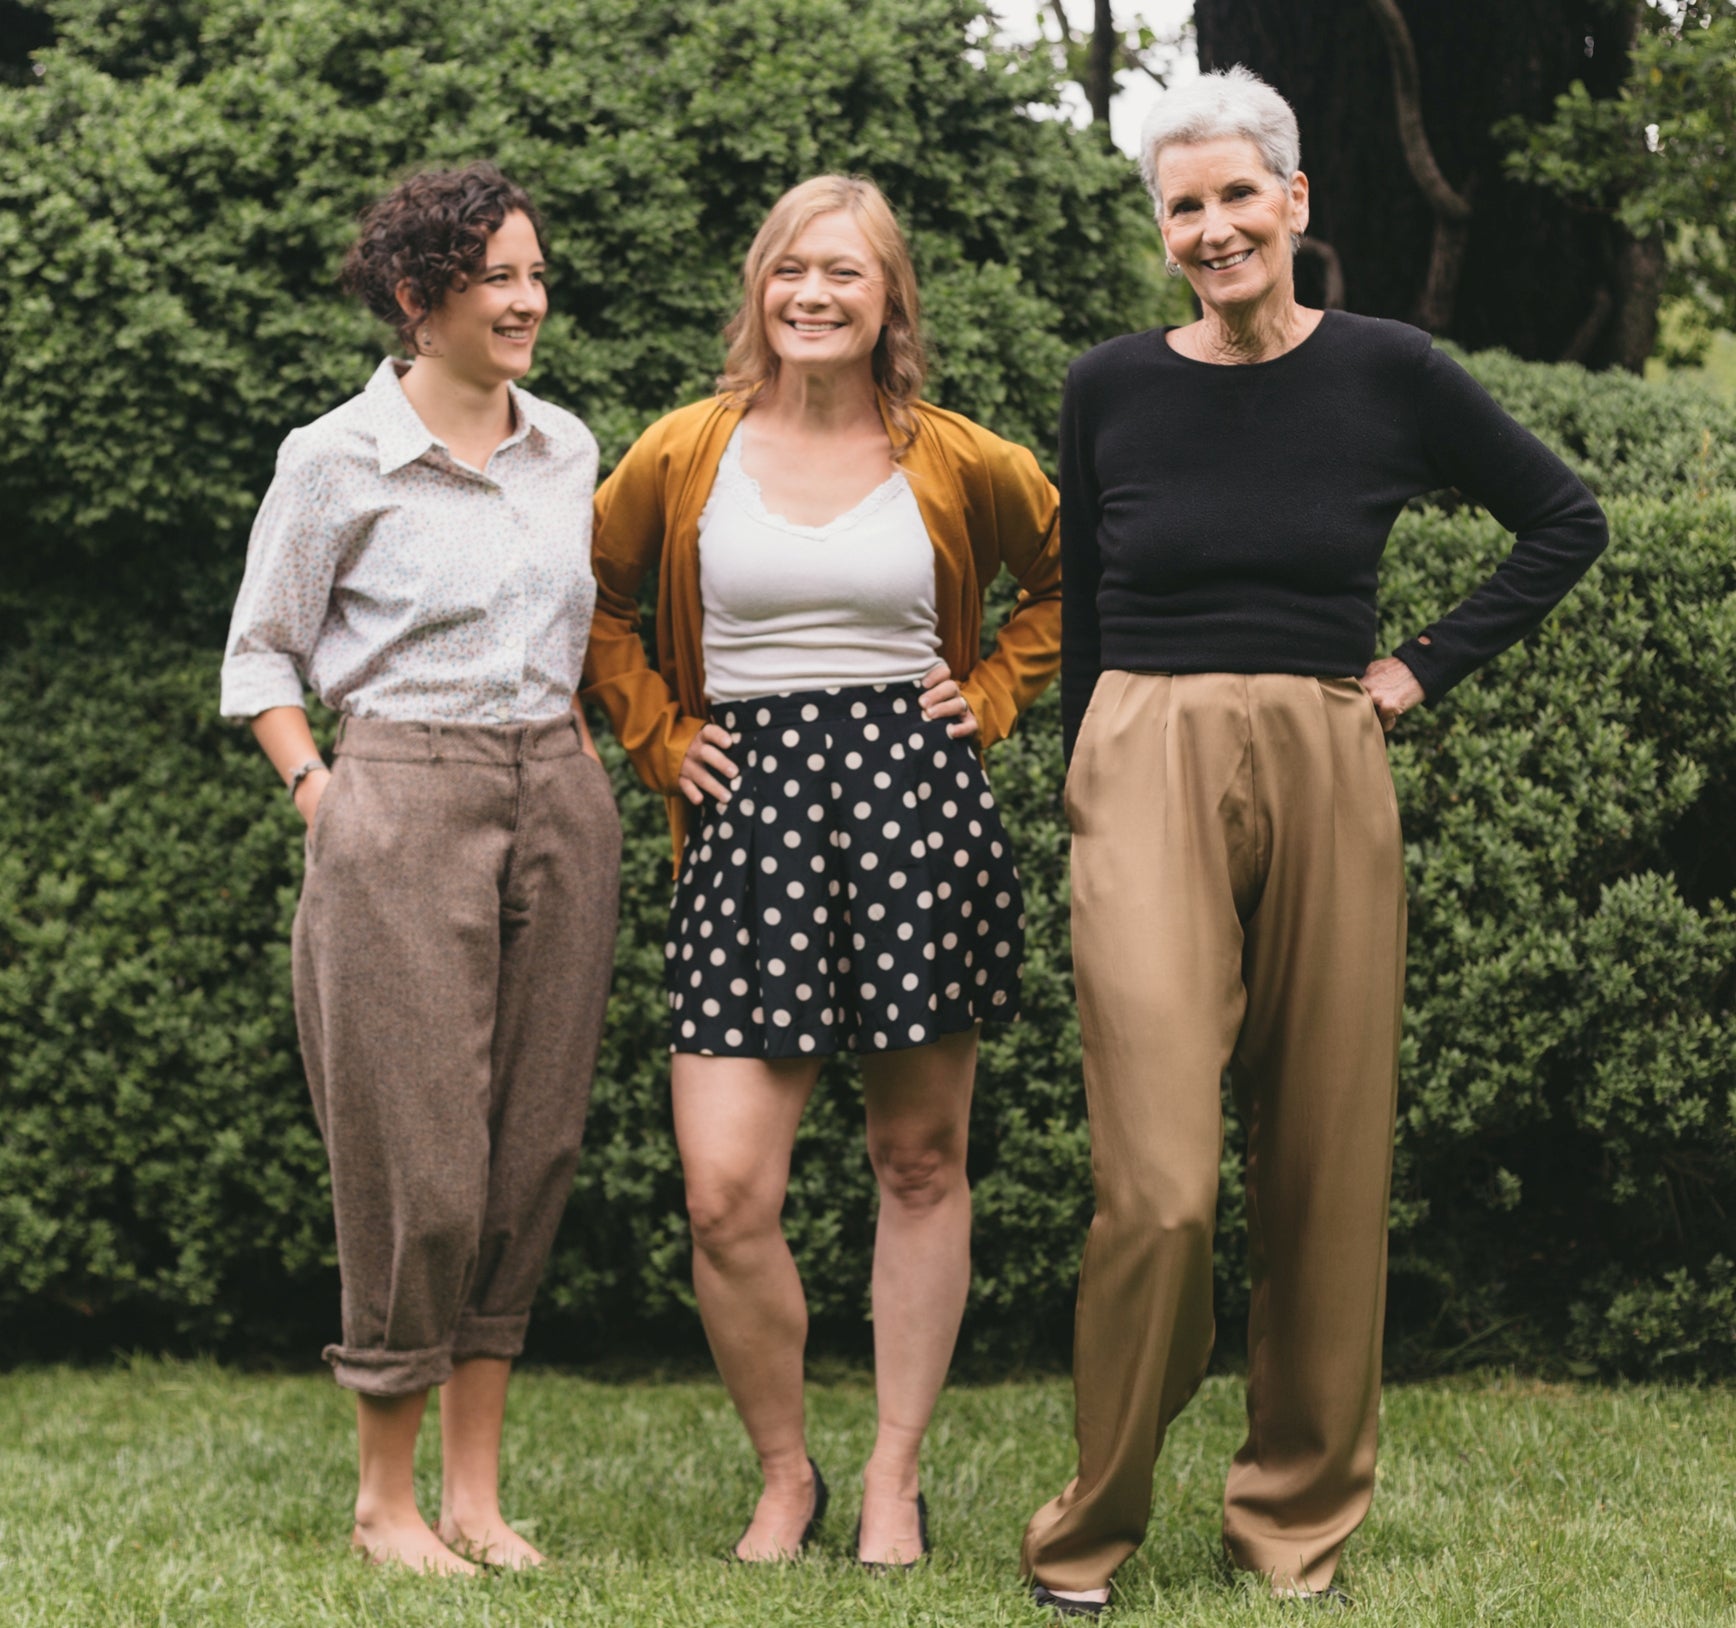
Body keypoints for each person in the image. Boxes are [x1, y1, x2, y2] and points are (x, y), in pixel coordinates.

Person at [1021, 67, 1607, 1615]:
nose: (1210, 230)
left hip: (1331, 749)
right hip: (1142, 755)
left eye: (1232, 197)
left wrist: (1417, 668)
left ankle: (1291, 1525)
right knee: (1160, 1184)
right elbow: (1083, 601)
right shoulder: (1109, 388)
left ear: (1294, 202)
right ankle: (1092, 1525)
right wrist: (1086, 756)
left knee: (1330, 1167)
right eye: (1180, 208)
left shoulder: (1393, 371)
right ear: (1163, 232)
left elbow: (1564, 519)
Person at [582, 174, 1060, 1566]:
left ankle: (895, 1478)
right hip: (749, 822)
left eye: (845, 273)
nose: (815, 294)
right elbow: (599, 601)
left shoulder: (960, 456)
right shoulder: (682, 452)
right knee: (724, 1192)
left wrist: (993, 689)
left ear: (890, 299)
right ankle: (785, 1472)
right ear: (759, 288)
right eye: (793, 269)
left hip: (914, 807)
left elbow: (1070, 576)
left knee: (919, 1158)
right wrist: (662, 737)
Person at [219, 163, 620, 1574]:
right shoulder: (335, 455)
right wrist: (324, 793)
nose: (527, 300)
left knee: (531, 1150)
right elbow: (262, 650)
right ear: (417, 297)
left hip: (558, 796)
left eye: (533, 272)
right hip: (399, 794)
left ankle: (473, 1499)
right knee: (418, 1162)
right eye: (497, 278)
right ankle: (383, 1500)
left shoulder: (568, 445)